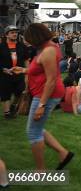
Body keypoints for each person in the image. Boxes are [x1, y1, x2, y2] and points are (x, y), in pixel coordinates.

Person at [23, 23, 73, 170]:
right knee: (36, 129)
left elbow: (51, 80)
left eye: (29, 39)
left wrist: (41, 105)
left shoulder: (48, 50)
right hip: (44, 93)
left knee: (33, 132)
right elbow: (41, 70)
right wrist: (23, 70)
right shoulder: (45, 48)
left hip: (46, 94)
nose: (28, 42)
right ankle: (63, 153)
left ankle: (40, 171)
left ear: (36, 37)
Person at [0, 25, 28, 119]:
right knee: (5, 93)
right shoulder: (1, 46)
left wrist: (27, 71)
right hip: (5, 74)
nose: (15, 34)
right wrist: (4, 69)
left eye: (16, 32)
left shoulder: (22, 46)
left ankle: (13, 106)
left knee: (20, 92)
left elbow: (26, 60)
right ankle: (7, 113)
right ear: (6, 35)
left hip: (19, 74)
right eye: (12, 32)